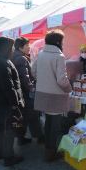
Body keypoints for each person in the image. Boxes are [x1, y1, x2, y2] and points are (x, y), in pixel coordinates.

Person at [32, 29, 72, 162]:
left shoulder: (41, 54)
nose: (63, 43)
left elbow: (34, 71)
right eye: (62, 40)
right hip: (56, 96)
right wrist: (68, 89)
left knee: (48, 123)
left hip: (43, 94)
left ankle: (47, 149)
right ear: (58, 41)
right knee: (54, 125)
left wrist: (43, 82)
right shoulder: (59, 56)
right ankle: (51, 152)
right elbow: (62, 80)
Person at [0, 36, 25, 166]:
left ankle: (0, 152)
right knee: (8, 131)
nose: (13, 50)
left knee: (1, 128)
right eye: (12, 47)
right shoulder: (3, 62)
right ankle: (8, 157)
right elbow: (8, 86)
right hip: (6, 103)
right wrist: (15, 104)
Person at [11, 37, 44, 146]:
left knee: (24, 117)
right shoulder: (21, 58)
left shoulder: (14, 56)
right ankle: (39, 137)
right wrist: (32, 89)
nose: (29, 47)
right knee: (32, 115)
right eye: (27, 45)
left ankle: (21, 138)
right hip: (25, 93)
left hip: (19, 92)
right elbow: (24, 78)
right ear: (20, 47)